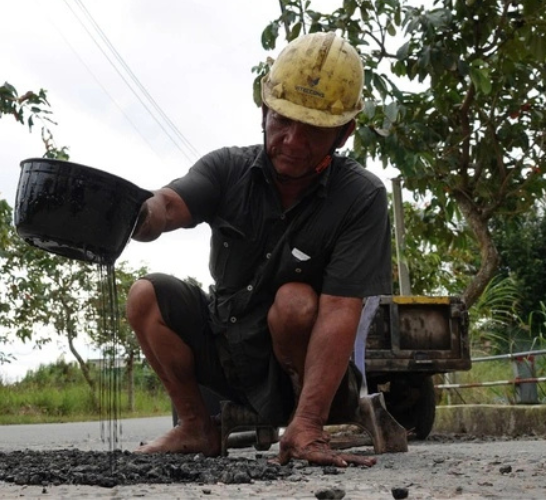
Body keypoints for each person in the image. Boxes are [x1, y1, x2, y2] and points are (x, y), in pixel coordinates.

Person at [125, 32, 392, 468]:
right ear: (264, 110)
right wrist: (141, 214)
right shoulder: (227, 168)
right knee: (145, 296)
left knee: (294, 302)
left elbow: (343, 308)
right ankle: (196, 426)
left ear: (344, 133)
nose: (291, 140)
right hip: (227, 352)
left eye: (313, 130)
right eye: (282, 121)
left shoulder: (360, 197)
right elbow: (170, 203)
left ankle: (305, 425)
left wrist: (308, 418)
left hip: (302, 377)